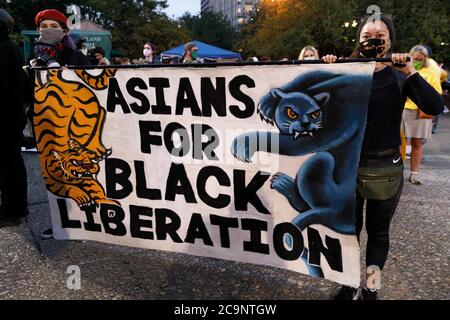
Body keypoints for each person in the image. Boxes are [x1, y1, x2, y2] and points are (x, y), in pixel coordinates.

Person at [322, 14, 443, 300]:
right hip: (347, 165)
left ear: (389, 41)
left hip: (384, 167)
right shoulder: (346, 70)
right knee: (347, 233)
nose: (373, 39)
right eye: (367, 34)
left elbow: (434, 105)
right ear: (359, 39)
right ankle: (348, 283)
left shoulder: (399, 73)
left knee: (378, 233)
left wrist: (410, 72)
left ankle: (371, 287)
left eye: (380, 35)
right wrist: (325, 67)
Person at [27, 9, 91, 239]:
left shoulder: (77, 57)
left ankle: (86, 221)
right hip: (47, 127)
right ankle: (61, 222)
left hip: (74, 129)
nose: (48, 30)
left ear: (65, 31)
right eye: (44, 26)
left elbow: (91, 90)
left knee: (77, 176)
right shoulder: (35, 58)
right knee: (55, 177)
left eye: (54, 26)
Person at [0, 9, 28, 227]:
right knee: (10, 163)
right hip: (10, 115)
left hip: (6, 118)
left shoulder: (4, 49)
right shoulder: (10, 47)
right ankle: (12, 208)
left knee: (9, 165)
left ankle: (13, 210)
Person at [402, 45, 442, 185]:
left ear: (425, 59)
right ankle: (397, 171)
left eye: (421, 59)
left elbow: (436, 93)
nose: (418, 61)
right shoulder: (403, 70)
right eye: (415, 58)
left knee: (417, 143)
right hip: (405, 110)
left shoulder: (430, 72)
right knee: (400, 142)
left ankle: (414, 173)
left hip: (421, 112)